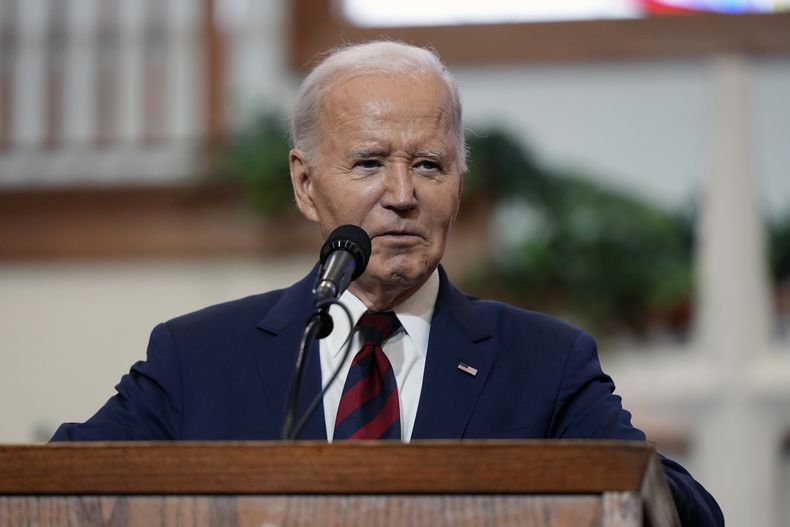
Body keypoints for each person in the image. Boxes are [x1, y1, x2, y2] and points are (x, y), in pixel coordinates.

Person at [51, 41, 723, 526]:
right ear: (305, 183)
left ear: (459, 184)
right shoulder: (197, 357)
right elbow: (55, 492)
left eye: (429, 164)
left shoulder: (544, 362)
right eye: (369, 162)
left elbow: (681, 509)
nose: (402, 195)